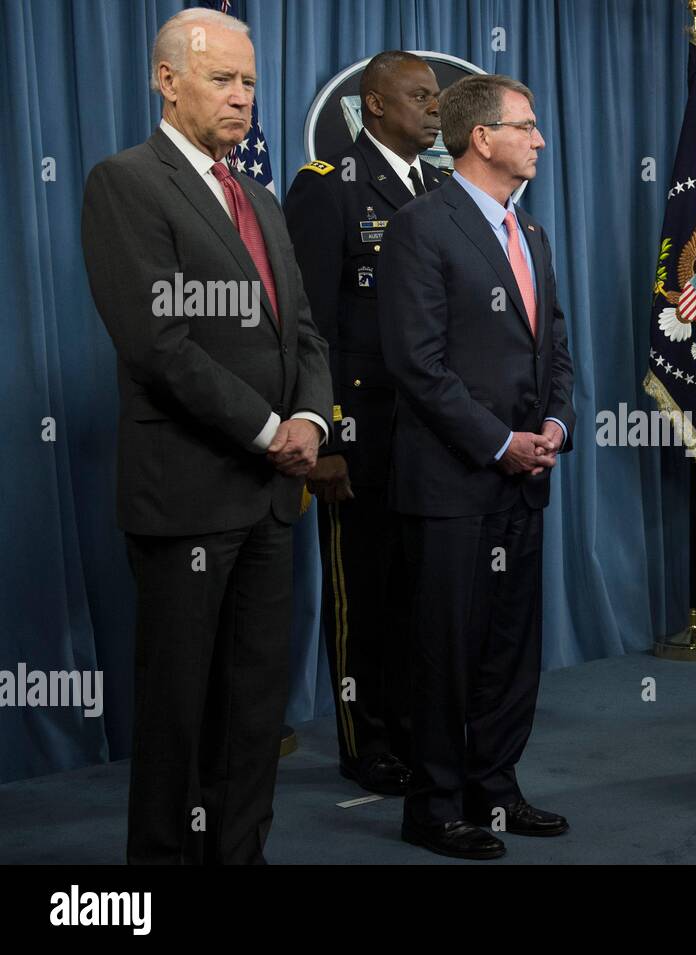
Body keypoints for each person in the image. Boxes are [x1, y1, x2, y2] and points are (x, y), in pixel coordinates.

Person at [80, 7, 330, 863]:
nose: (241, 97)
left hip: (270, 499)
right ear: (167, 80)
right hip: (187, 496)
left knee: (255, 707)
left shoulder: (259, 194)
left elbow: (301, 330)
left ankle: (239, 853)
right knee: (178, 714)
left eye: (250, 81)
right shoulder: (126, 181)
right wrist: (268, 429)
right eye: (221, 78)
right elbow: (159, 346)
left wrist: (310, 418)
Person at [378, 73, 575, 860]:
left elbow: (554, 348)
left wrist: (555, 423)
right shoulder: (421, 227)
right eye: (526, 127)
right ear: (482, 137)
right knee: (444, 651)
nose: (540, 140)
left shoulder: (533, 235)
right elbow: (417, 364)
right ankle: (434, 805)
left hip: (525, 483)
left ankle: (496, 788)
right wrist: (501, 441)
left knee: (508, 647)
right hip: (453, 484)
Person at [284, 51, 449, 797]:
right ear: (373, 106)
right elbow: (307, 322)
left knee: (418, 593)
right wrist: (321, 430)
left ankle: (414, 728)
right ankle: (367, 740)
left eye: (438, 96)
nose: (435, 107)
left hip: (429, 436)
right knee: (366, 595)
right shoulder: (329, 189)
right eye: (418, 96)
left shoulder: (440, 188)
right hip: (360, 435)